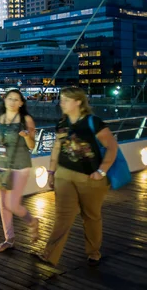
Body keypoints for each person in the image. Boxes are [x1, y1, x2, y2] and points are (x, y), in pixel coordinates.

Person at [38, 87, 117, 266]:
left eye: (65, 99)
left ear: (78, 102)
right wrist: (51, 172)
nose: (61, 103)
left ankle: (93, 252)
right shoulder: (62, 123)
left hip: (90, 177)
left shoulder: (93, 122)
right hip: (64, 175)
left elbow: (112, 147)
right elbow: (57, 149)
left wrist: (101, 171)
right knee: (62, 216)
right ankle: (49, 255)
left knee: (91, 216)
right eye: (61, 99)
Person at [0, 89, 40, 252]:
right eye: (10, 98)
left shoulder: (26, 119)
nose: (12, 102)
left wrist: (27, 136)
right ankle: (9, 239)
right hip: (1, 166)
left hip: (20, 165)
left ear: (21, 103)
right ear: (4, 100)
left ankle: (32, 221)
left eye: (16, 99)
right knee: (4, 205)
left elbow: (32, 146)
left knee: (12, 204)